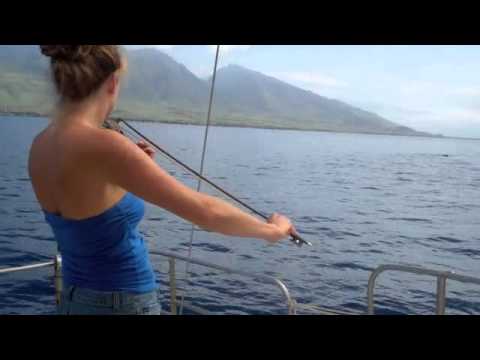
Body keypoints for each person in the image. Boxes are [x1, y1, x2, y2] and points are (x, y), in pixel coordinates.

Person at [28, 45, 297, 315]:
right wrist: (271, 231)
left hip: (73, 301)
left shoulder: (40, 145)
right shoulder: (107, 146)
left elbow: (86, 209)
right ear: (112, 83)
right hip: (123, 302)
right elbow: (207, 213)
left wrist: (125, 172)